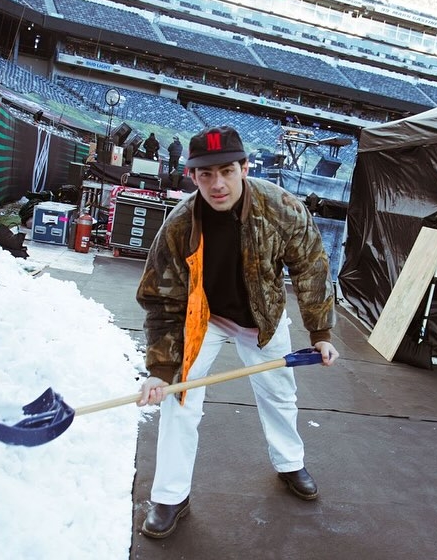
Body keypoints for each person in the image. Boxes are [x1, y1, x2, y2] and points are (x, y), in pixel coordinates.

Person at [136, 125, 339, 539]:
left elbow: (312, 266)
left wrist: (320, 332)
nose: (217, 183)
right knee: (179, 397)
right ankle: (171, 496)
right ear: (192, 176)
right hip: (203, 316)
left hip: (261, 318)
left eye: (226, 171)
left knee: (279, 393)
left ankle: (289, 463)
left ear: (245, 168)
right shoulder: (179, 225)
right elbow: (162, 299)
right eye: (205, 174)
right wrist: (161, 367)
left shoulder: (281, 207)